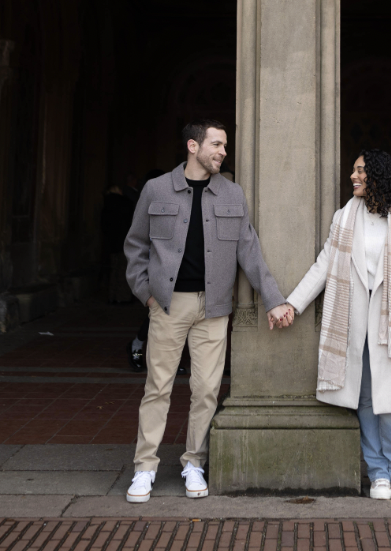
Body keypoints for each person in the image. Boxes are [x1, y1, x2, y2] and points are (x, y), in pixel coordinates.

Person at [123, 120, 292, 502]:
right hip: (167, 305)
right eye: (216, 144)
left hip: (214, 306)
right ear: (193, 146)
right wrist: (147, 295)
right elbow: (135, 246)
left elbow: (249, 250)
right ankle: (144, 468)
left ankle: (193, 463)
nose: (223, 152)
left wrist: (274, 298)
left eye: (225, 146)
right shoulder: (156, 189)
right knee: (158, 388)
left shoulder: (232, 194)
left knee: (206, 390)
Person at [286, 149, 391, 500]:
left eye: (361, 170)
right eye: (353, 170)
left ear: (378, 175)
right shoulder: (343, 218)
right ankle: (378, 472)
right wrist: (293, 303)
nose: (353, 176)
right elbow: (324, 265)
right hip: (354, 323)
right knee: (365, 400)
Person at [127, 169, 165, 373]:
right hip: (154, 264)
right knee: (156, 311)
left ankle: (170, 360)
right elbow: (137, 239)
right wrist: (143, 290)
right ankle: (137, 345)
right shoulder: (147, 198)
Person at [101, 185, 135, 304]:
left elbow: (104, 225)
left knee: (113, 270)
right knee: (123, 270)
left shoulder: (107, 206)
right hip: (124, 241)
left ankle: (112, 297)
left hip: (111, 243)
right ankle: (123, 298)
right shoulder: (126, 204)